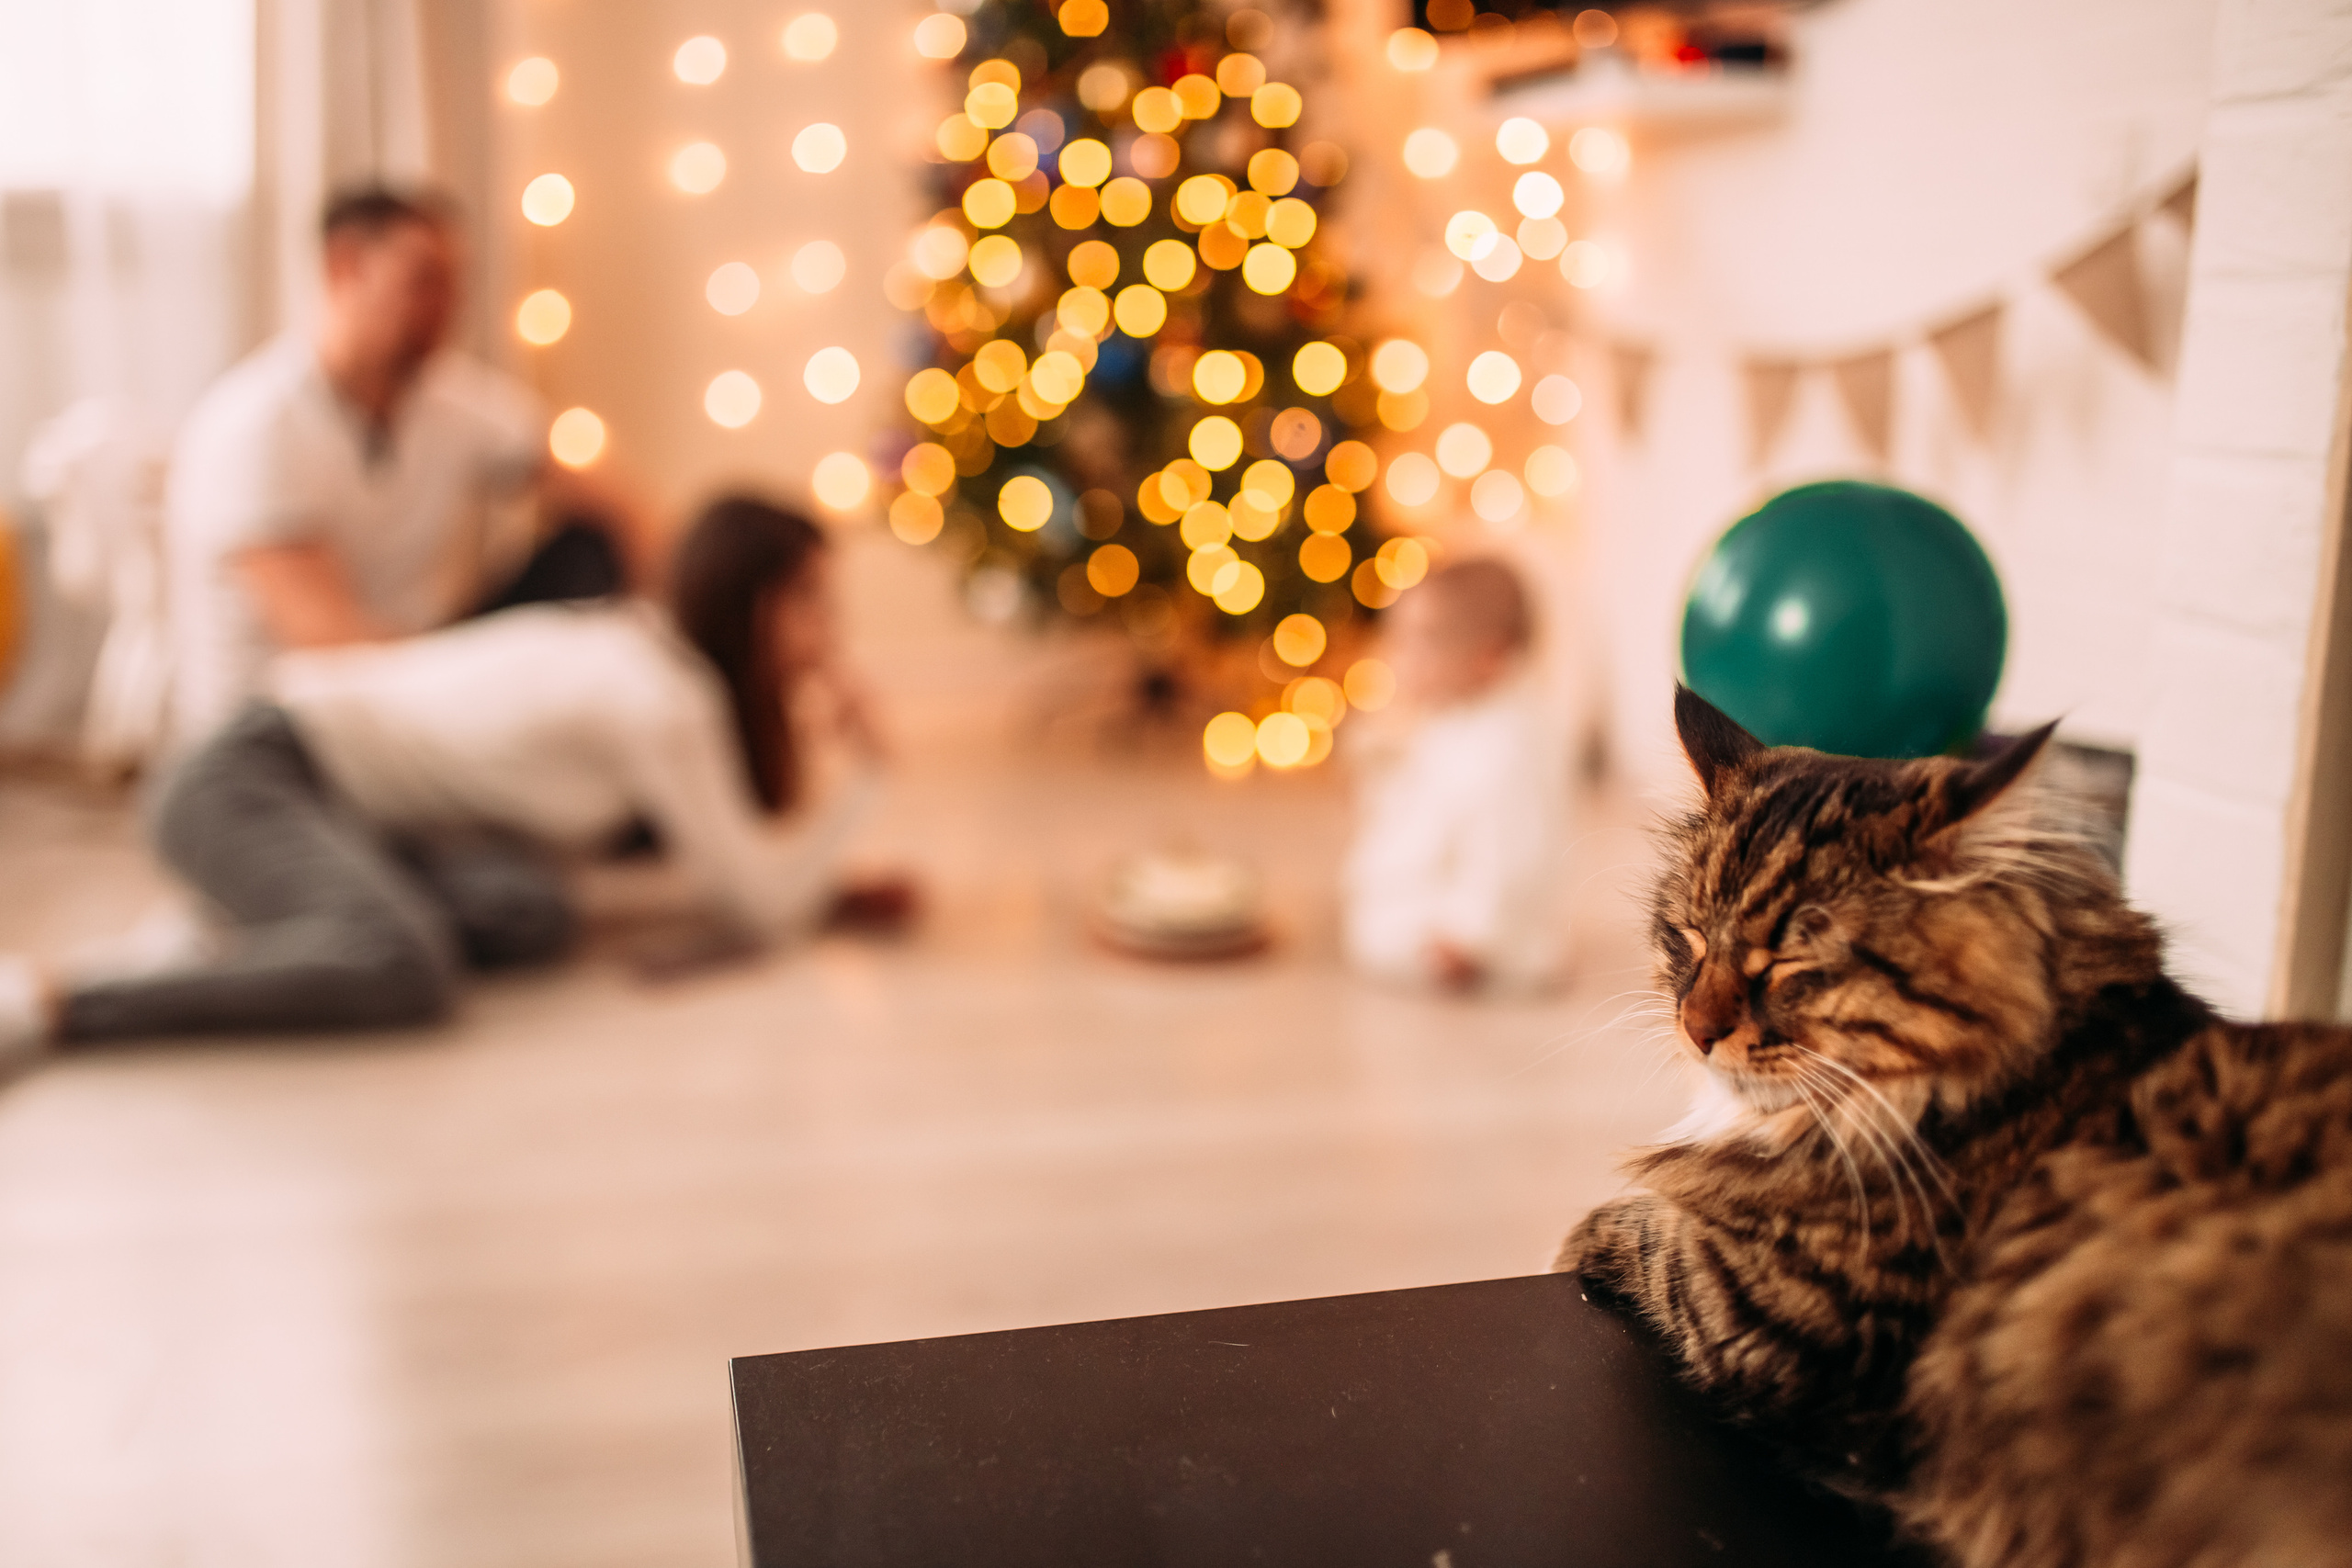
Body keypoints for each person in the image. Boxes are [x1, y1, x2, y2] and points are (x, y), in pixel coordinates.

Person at [0, 497, 895, 1061]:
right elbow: (757, 907)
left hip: (343, 807)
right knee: (401, 966)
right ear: (757, 601)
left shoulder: (642, 647)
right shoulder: (664, 700)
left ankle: (250, 926)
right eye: (814, 599)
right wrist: (865, 777)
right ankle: (61, 999)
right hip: (247, 775)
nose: (834, 626)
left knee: (530, 909)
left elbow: (717, 876)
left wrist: (822, 880)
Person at [163, 184, 642, 751]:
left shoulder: (457, 402)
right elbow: (328, 640)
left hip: (421, 672)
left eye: (455, 283)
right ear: (345, 268)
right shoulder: (253, 427)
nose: (449, 306)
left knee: (589, 549)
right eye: (424, 281)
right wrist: (497, 683)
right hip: (287, 729)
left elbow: (622, 511)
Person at [1341, 556, 1571, 994]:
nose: (1401, 659)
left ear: (1490, 657)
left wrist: (1472, 931)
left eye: (1423, 644)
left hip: (1471, 934)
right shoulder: (1455, 714)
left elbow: (1512, 851)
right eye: (1399, 640)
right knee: (1377, 910)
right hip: (1440, 884)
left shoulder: (1506, 749)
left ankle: (1493, 952)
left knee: (1392, 929)